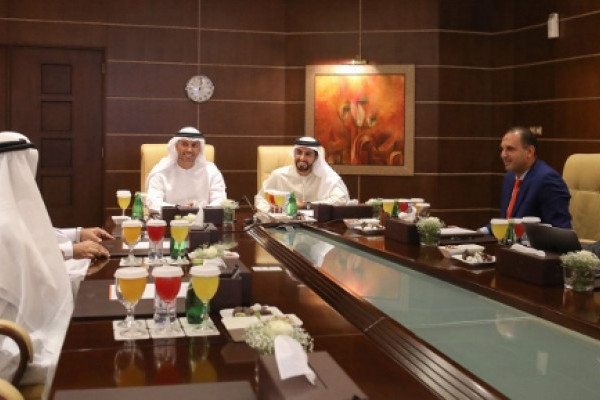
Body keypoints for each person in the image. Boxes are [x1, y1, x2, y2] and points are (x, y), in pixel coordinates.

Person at [0, 131, 73, 390]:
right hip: (15, 345)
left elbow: (42, 240)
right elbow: (42, 281)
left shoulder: (9, 208)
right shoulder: (5, 224)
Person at [482, 126, 572, 232]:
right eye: (502, 149)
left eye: (510, 149)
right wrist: (481, 232)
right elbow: (507, 222)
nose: (503, 155)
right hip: (511, 241)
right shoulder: (509, 178)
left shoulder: (547, 180)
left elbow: (561, 231)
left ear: (529, 151)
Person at [254, 137, 350, 212]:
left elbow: (341, 200)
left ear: (316, 157)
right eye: (299, 152)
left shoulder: (326, 177)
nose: (302, 158)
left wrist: (306, 205)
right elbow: (259, 199)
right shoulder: (279, 175)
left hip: (317, 226)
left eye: (308, 154)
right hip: (283, 225)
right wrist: (269, 210)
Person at [145, 127, 227, 215]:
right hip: (171, 221)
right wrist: (180, 209)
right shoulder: (161, 171)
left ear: (199, 149)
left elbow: (220, 201)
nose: (189, 150)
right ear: (176, 146)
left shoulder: (211, 171)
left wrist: (199, 209)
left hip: (204, 221)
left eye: (194, 145)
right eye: (184, 144)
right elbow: (153, 202)